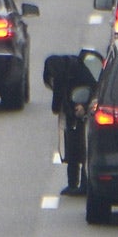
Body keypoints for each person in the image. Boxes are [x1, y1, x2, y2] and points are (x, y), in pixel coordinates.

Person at [41, 52, 98, 194]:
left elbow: (92, 88)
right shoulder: (68, 70)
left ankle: (82, 183)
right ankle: (73, 183)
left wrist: (84, 106)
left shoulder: (70, 73)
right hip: (73, 113)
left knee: (81, 148)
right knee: (72, 146)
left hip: (82, 114)